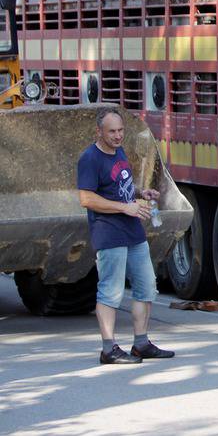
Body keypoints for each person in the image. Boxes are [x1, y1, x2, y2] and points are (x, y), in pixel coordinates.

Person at [77, 107, 174, 365]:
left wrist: (142, 193)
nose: (118, 136)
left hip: (133, 230)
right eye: (112, 132)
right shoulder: (90, 158)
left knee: (146, 286)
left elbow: (119, 187)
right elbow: (86, 198)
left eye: (121, 130)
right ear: (98, 131)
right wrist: (124, 207)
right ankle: (108, 349)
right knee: (110, 291)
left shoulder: (118, 151)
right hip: (109, 234)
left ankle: (141, 343)